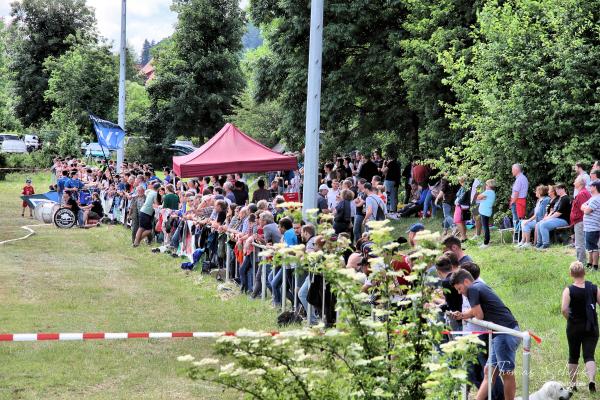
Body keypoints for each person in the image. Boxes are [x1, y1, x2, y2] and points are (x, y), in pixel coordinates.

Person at [450, 269, 520, 400]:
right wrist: (463, 315)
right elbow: (476, 311)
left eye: (459, 289)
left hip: (504, 333)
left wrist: (468, 314)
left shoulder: (472, 290)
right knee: (489, 372)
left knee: (506, 373)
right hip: (501, 333)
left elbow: (479, 315)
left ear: (466, 281)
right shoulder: (478, 286)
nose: (460, 292)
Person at [561, 261, 600, 393]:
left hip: (574, 327)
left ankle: (572, 385)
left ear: (571, 274)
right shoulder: (594, 288)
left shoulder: (569, 290)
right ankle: (591, 381)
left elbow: (564, 309)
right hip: (591, 326)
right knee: (589, 355)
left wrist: (571, 320)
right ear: (584, 272)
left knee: (573, 356)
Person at [536, 183, 571, 250]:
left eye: (558, 189)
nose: (556, 191)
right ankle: (539, 243)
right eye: (556, 189)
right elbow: (554, 211)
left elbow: (558, 213)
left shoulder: (565, 198)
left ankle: (545, 244)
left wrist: (548, 218)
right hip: (557, 219)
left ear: (563, 189)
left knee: (543, 225)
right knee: (538, 224)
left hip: (563, 220)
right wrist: (547, 217)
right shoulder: (560, 198)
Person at [572, 177, 591, 264]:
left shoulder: (582, 194)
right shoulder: (584, 192)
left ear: (580, 183)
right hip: (581, 220)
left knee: (579, 243)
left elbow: (585, 209)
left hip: (580, 220)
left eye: (575, 181)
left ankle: (581, 263)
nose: (573, 183)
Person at [133, 183, 160, 247]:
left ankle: (136, 242)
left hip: (144, 211)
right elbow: (156, 204)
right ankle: (136, 242)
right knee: (143, 228)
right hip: (146, 213)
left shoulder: (150, 192)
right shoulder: (155, 194)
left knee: (145, 229)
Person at [582, 181, 600, 270]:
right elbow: (582, 206)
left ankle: (595, 266)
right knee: (589, 247)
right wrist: (586, 207)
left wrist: (586, 208)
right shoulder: (593, 198)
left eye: (591, 186)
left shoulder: (597, 199)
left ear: (595, 187)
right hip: (588, 227)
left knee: (594, 247)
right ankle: (590, 263)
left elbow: (586, 211)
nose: (589, 187)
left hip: (593, 227)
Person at [510, 164, 529, 242]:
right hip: (521, 201)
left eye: (512, 169)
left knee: (516, 220)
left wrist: (512, 202)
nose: (512, 171)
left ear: (517, 170)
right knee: (520, 219)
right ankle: (520, 238)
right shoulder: (523, 178)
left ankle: (517, 238)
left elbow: (516, 193)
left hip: (517, 201)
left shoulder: (519, 179)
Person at [477, 179, 496, 248]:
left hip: (484, 212)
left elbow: (478, 197)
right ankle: (486, 241)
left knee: (485, 227)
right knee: (486, 227)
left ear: (489, 185)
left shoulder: (488, 192)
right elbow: (480, 198)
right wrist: (482, 198)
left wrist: (481, 198)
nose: (485, 186)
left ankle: (486, 243)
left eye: (486, 185)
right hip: (487, 211)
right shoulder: (492, 192)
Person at [382, 149, 401, 214]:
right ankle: (393, 210)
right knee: (394, 196)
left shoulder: (390, 163)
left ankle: (387, 209)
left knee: (388, 195)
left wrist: (384, 164)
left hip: (389, 181)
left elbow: (383, 171)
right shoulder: (397, 163)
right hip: (395, 181)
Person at [453, 177, 471, 241]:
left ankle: (463, 236)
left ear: (461, 181)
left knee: (457, 221)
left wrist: (458, 202)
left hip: (461, 206)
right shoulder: (468, 187)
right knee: (463, 221)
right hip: (466, 206)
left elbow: (462, 198)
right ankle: (465, 236)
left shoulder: (464, 188)